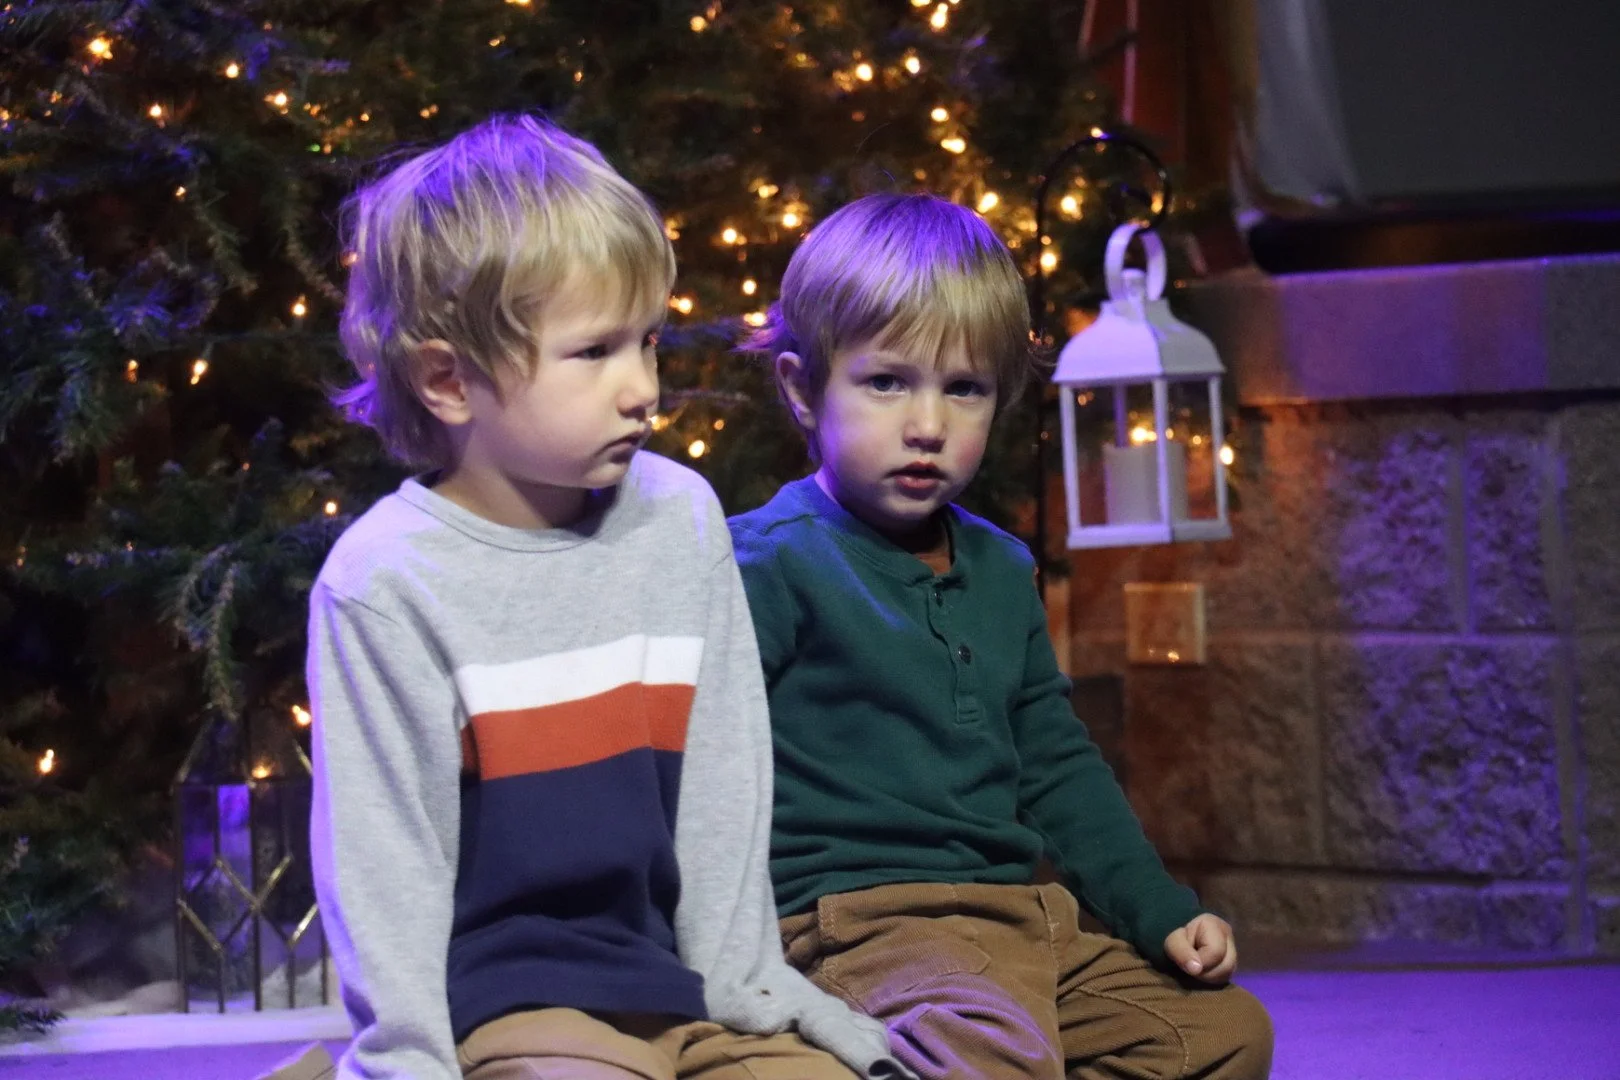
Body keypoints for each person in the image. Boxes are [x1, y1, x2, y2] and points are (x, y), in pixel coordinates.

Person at [293, 114, 907, 1080]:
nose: (643, 390)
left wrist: (749, 984)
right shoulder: (384, 583)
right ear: (447, 379)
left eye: (649, 342)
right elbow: (385, 868)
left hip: (669, 979)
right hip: (504, 994)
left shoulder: (679, 517)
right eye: (595, 352)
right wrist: (406, 1058)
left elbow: (723, 781)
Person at [728, 193, 1274, 1080]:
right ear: (801, 387)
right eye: (887, 382)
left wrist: (1159, 912)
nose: (928, 426)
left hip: (1017, 917)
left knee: (1221, 1036)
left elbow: (1057, 765)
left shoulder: (999, 567)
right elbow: (697, 770)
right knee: (995, 1048)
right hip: (859, 926)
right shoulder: (768, 563)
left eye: (965, 389)